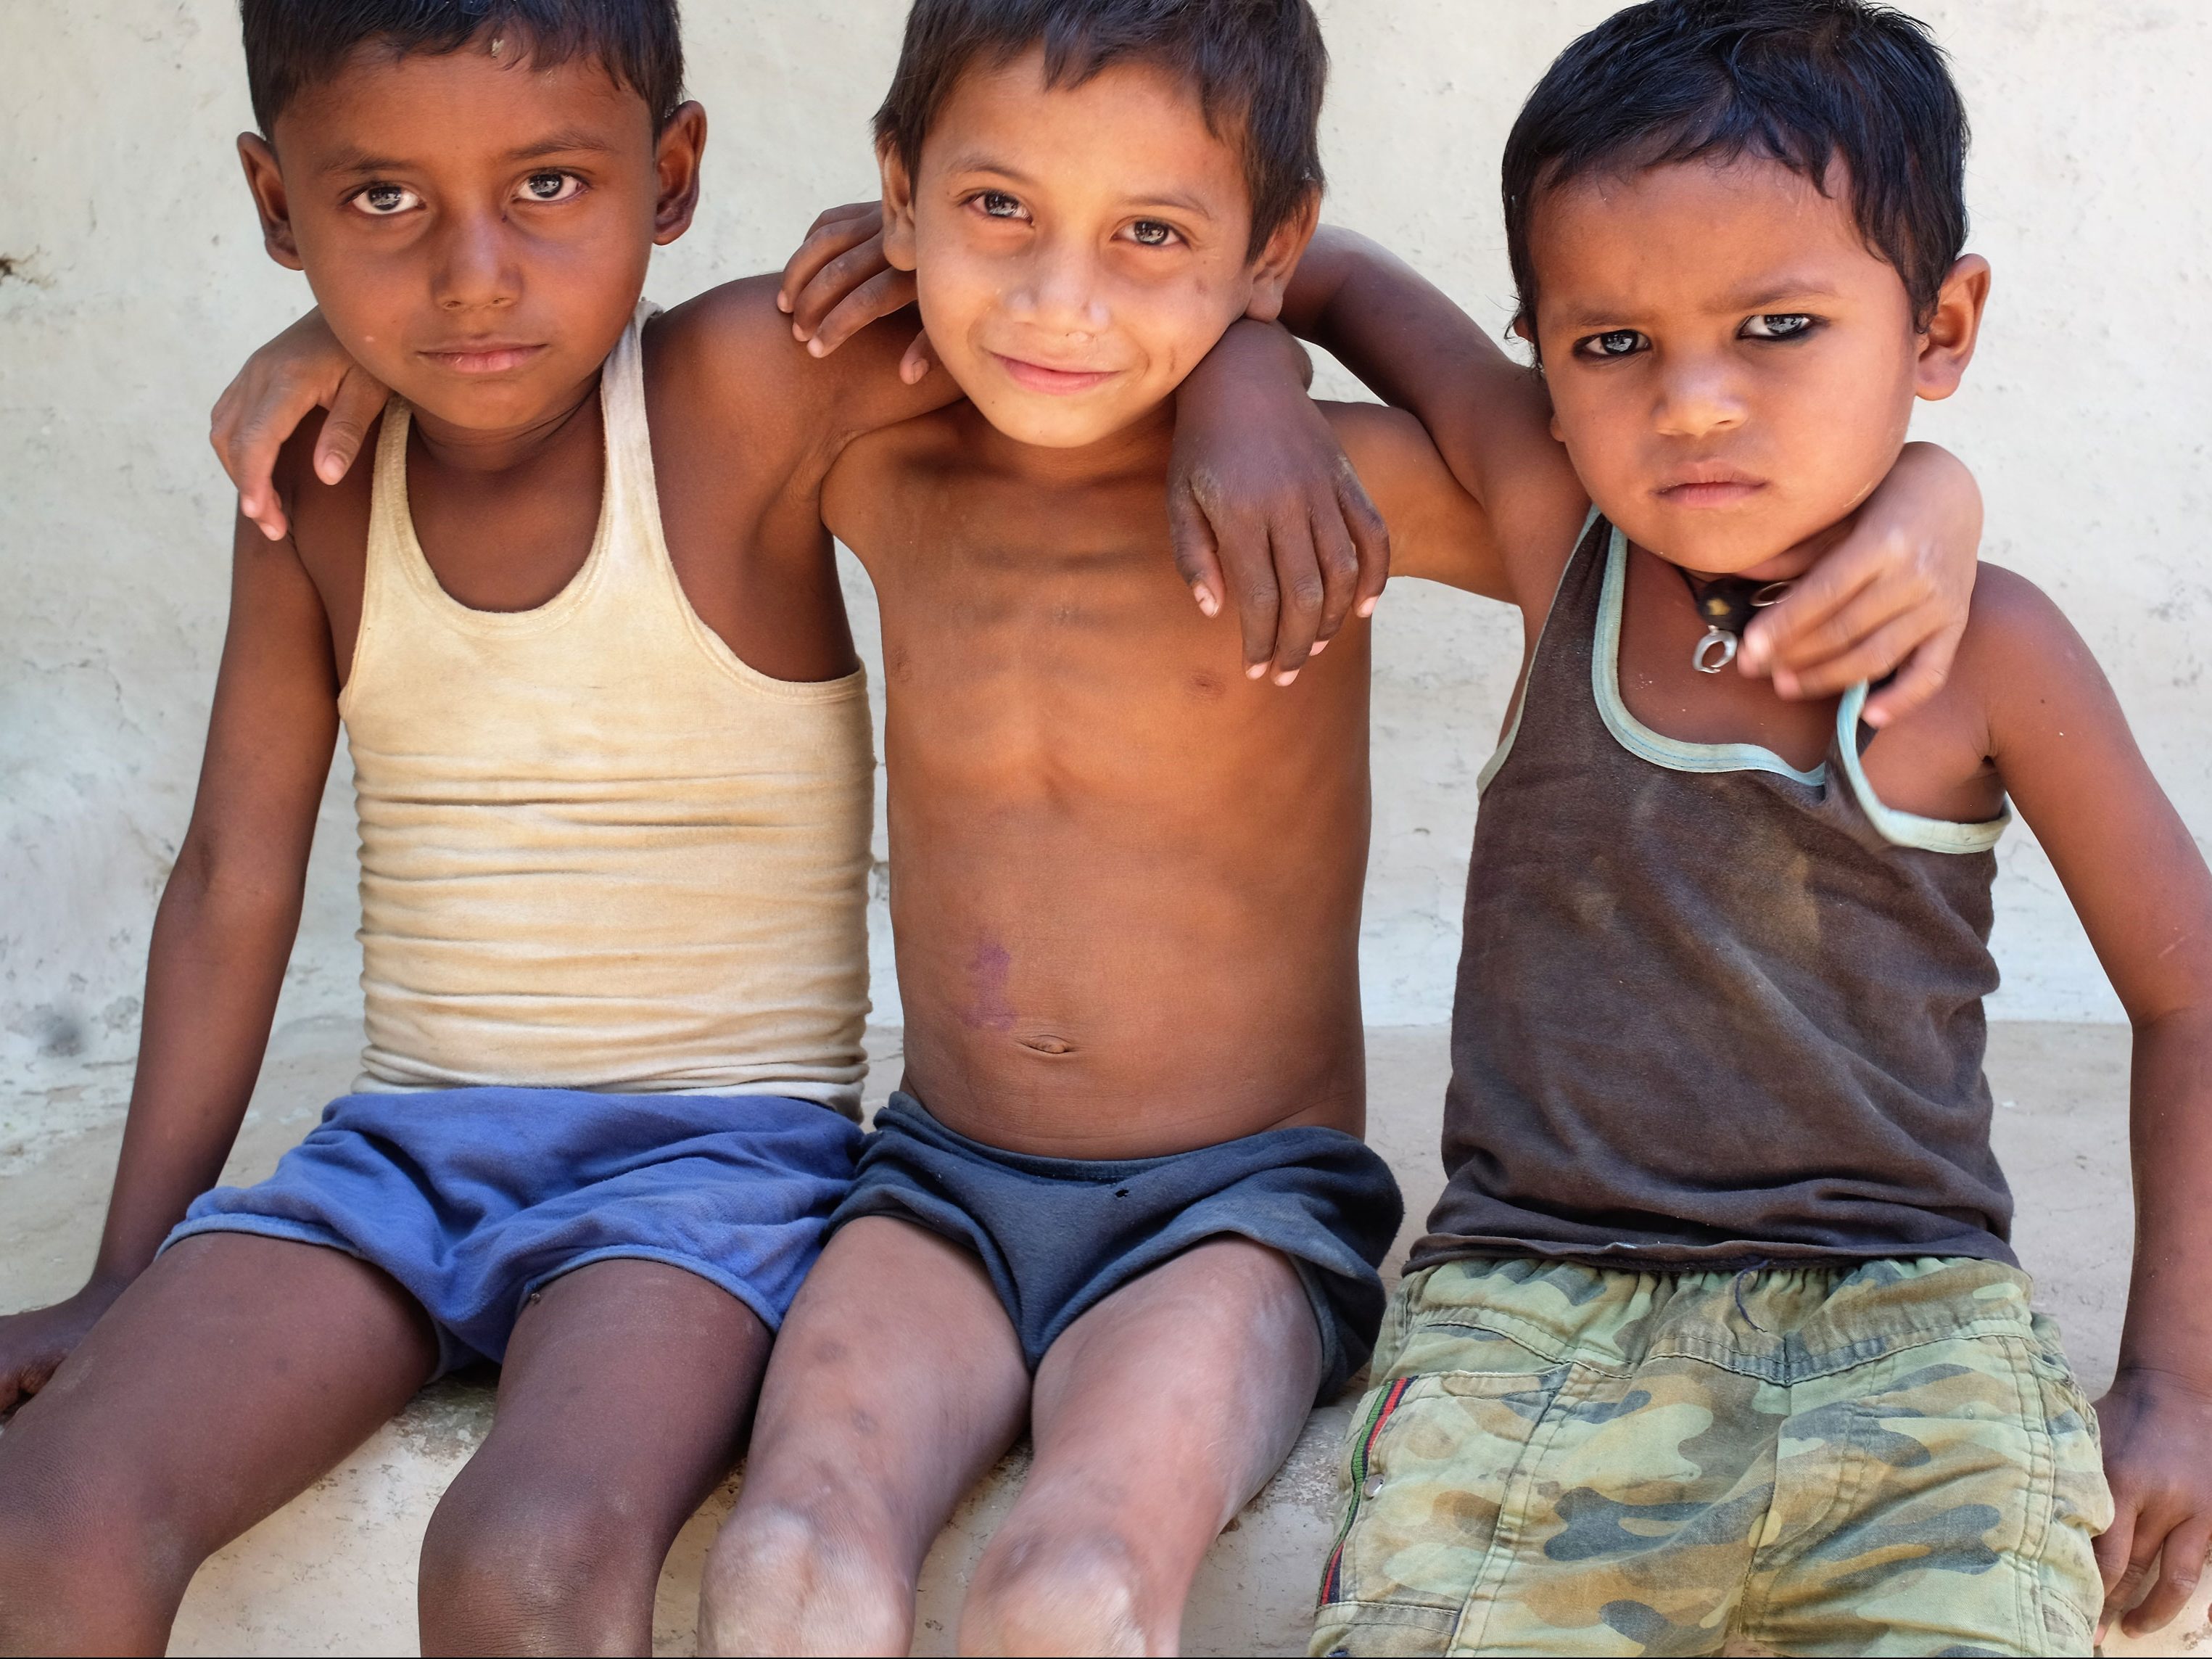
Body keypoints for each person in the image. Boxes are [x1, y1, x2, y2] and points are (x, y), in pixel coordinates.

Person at [0, 1, 1363, 1651]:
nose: (475, 277)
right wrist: (128, 1268)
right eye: (382, 201)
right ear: (278, 206)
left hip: (717, 1171)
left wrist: (1249, 377)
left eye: (547, 187)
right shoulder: (318, 478)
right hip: (399, 1152)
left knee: (525, 1555)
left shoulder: (748, 385)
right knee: (44, 1520)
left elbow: (1104, 281)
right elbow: (231, 876)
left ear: (671, 175)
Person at [683, 3, 1986, 1653]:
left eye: (1150, 234)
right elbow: (566, 381)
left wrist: (1940, 497)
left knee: (1068, 1589)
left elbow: (1681, 523)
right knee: (784, 1561)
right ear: (904, 194)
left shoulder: (1335, 488)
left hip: (1238, 1210)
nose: (1060, 299)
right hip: (938, 1178)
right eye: (998, 207)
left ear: (1266, 248)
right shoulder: (877, 451)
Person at [1265, 4, 2212, 1653]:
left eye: (1778, 326)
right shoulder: (1561, 537)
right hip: (1527, 1325)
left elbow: (2190, 989)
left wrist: (2178, 1382)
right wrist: (1235, 388)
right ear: (1540, 352)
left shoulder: (1992, 650)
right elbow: (1313, 270)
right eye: (1611, 344)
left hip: (1912, 1321)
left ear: (1940, 326)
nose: (1692, 403)